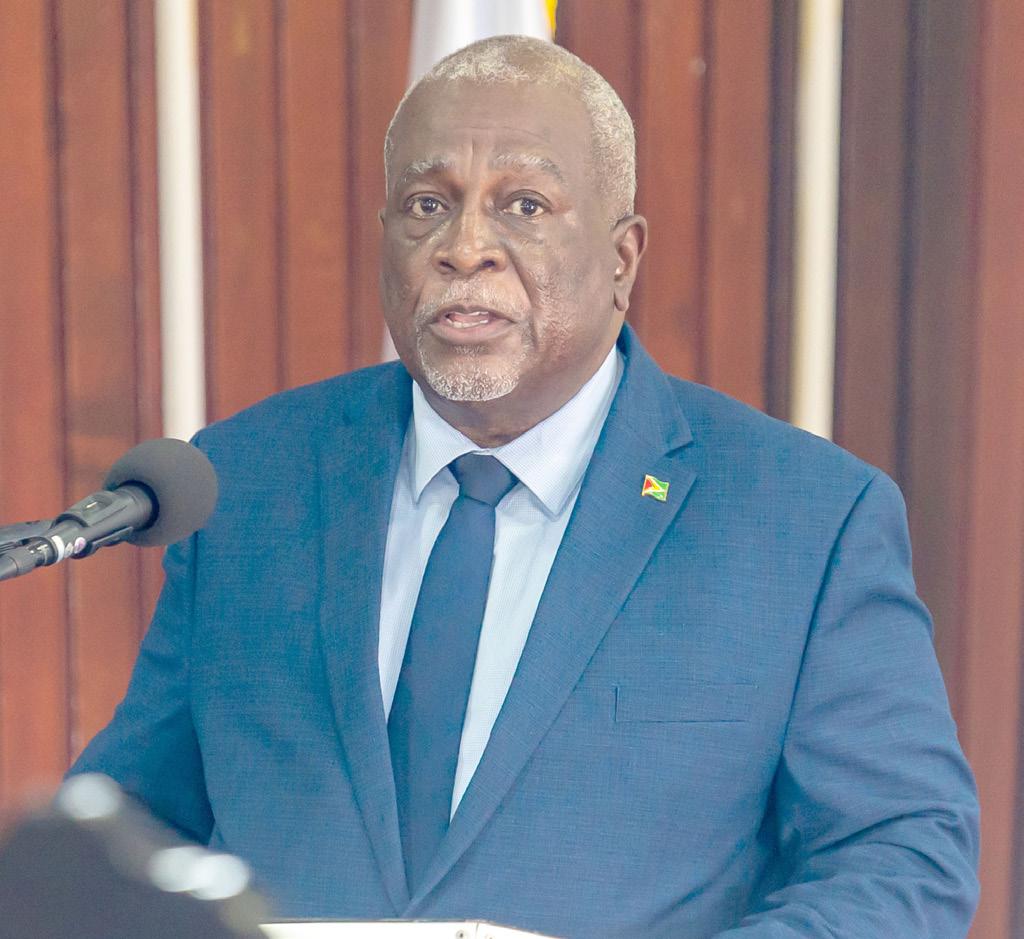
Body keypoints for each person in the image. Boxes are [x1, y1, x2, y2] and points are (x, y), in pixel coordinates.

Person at [71, 36, 979, 938]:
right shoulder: (246, 483)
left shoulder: (805, 520)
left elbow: (905, 856)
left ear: (622, 259)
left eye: (525, 205)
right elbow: (122, 831)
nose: (465, 247)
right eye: (428, 204)